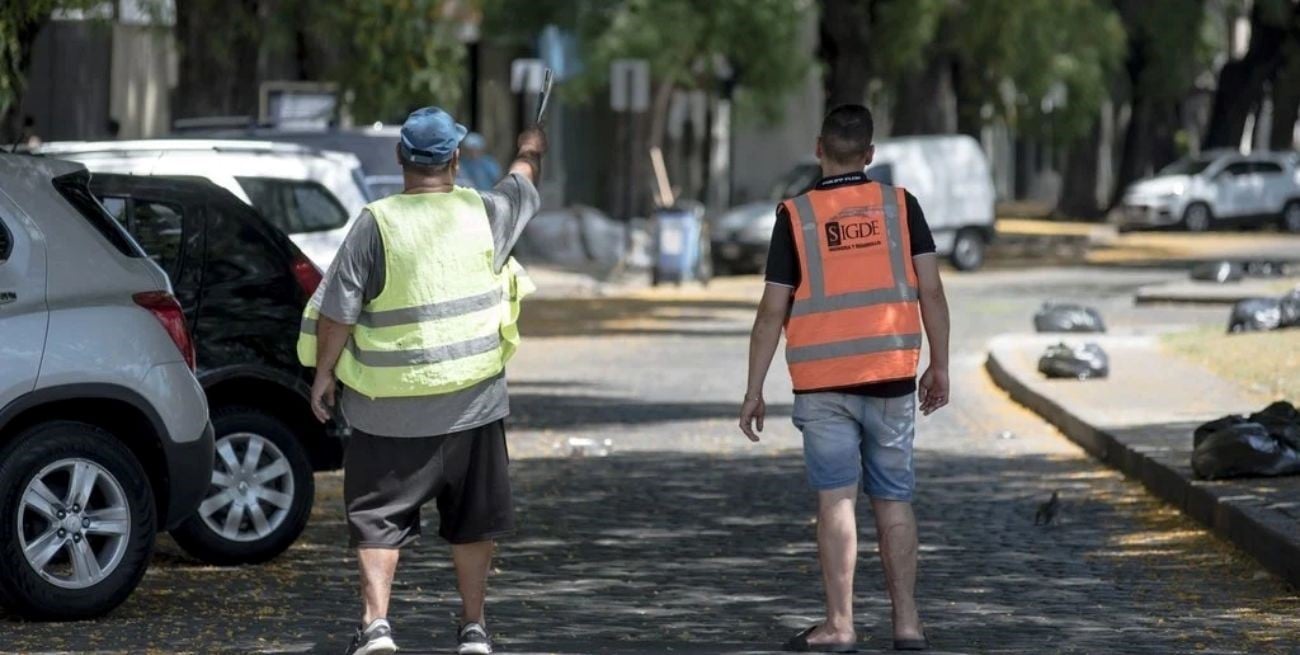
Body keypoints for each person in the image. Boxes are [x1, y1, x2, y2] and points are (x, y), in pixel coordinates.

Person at [296, 106, 547, 655]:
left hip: (388, 411)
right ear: (456, 159)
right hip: (473, 409)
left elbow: (338, 312)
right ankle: (474, 628)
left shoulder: (376, 223)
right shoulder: (486, 212)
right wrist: (530, 147)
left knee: (376, 520)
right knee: (472, 523)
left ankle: (376, 626)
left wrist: (323, 376)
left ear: (400, 159)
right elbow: (522, 181)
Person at [739, 104, 950, 653]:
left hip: (823, 382)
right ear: (871, 155)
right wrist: (940, 364)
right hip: (891, 377)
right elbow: (931, 290)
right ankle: (908, 625)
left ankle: (840, 625)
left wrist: (754, 389)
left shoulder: (797, 215)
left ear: (818, 149)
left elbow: (770, 312)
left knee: (836, 500)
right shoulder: (901, 207)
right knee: (894, 498)